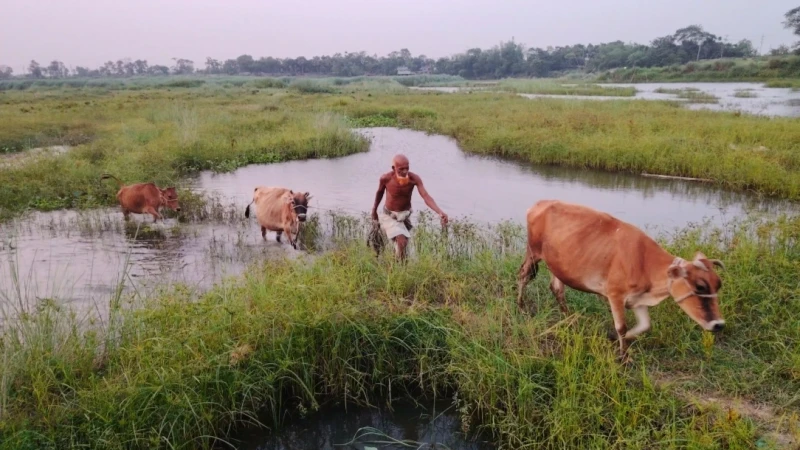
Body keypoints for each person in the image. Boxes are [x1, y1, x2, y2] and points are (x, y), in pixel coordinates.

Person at [371, 154, 448, 261]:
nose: (405, 171)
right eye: (401, 169)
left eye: (407, 168)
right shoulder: (386, 178)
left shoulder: (414, 179)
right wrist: (374, 210)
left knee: (401, 246)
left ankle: (395, 264)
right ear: (393, 168)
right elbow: (379, 193)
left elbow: (425, 196)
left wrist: (440, 212)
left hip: (405, 216)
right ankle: (400, 268)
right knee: (402, 242)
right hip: (390, 216)